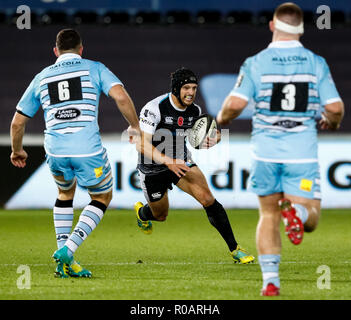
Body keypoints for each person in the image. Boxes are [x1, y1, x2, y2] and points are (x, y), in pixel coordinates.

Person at [216, 2, 344, 296]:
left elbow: (235, 105)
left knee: (268, 215)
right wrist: (332, 122)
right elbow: (335, 108)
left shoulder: (256, 62)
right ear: (300, 29)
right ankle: (297, 211)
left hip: (264, 154)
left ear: (272, 26)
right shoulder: (316, 62)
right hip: (301, 154)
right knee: (310, 218)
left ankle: (270, 281)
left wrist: (222, 118)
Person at [10, 29, 142, 278]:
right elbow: (121, 97)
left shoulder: (42, 77)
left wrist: (18, 150)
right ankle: (68, 250)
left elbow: (17, 123)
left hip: (55, 151)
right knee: (102, 197)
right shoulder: (94, 68)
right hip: (86, 149)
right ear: (81, 49)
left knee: (64, 192)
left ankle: (64, 260)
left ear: (55, 51)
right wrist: (134, 126)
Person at [132, 67, 255, 264]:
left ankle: (235, 249)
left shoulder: (195, 111)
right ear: (176, 89)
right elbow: (141, 144)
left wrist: (212, 139)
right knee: (160, 215)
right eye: (186, 88)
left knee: (207, 198)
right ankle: (141, 213)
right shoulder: (154, 108)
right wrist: (168, 161)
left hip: (180, 161)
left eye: (194, 88)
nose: (191, 93)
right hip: (153, 167)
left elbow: (202, 135)